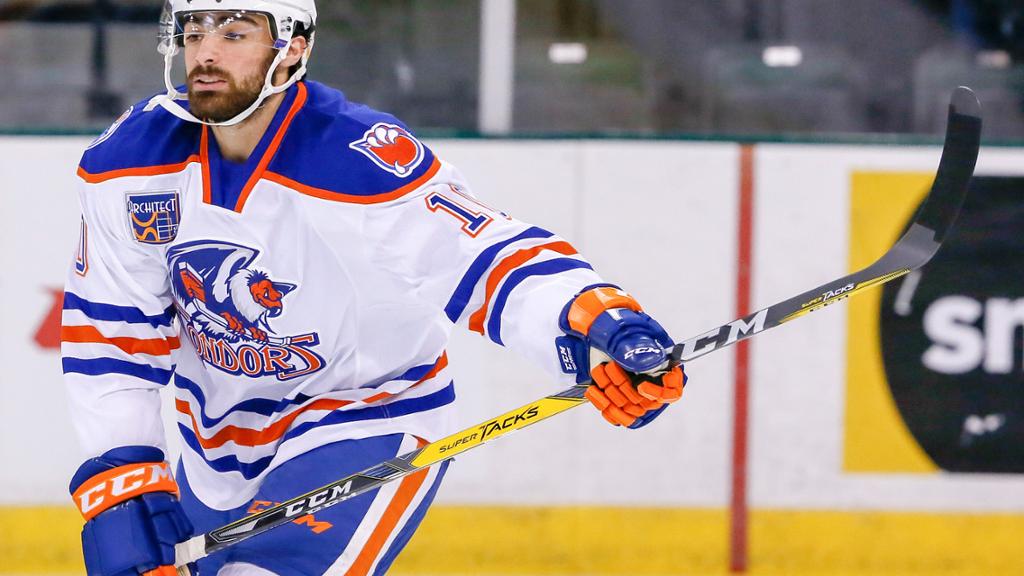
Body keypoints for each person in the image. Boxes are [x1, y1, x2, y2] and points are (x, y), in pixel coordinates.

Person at [62, 1, 687, 575]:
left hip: (364, 418)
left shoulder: (355, 157)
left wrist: (595, 321)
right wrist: (126, 475)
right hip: (214, 444)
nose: (206, 52)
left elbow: (482, 254)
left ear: (294, 48)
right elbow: (112, 334)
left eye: (235, 33)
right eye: (195, 31)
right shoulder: (132, 161)